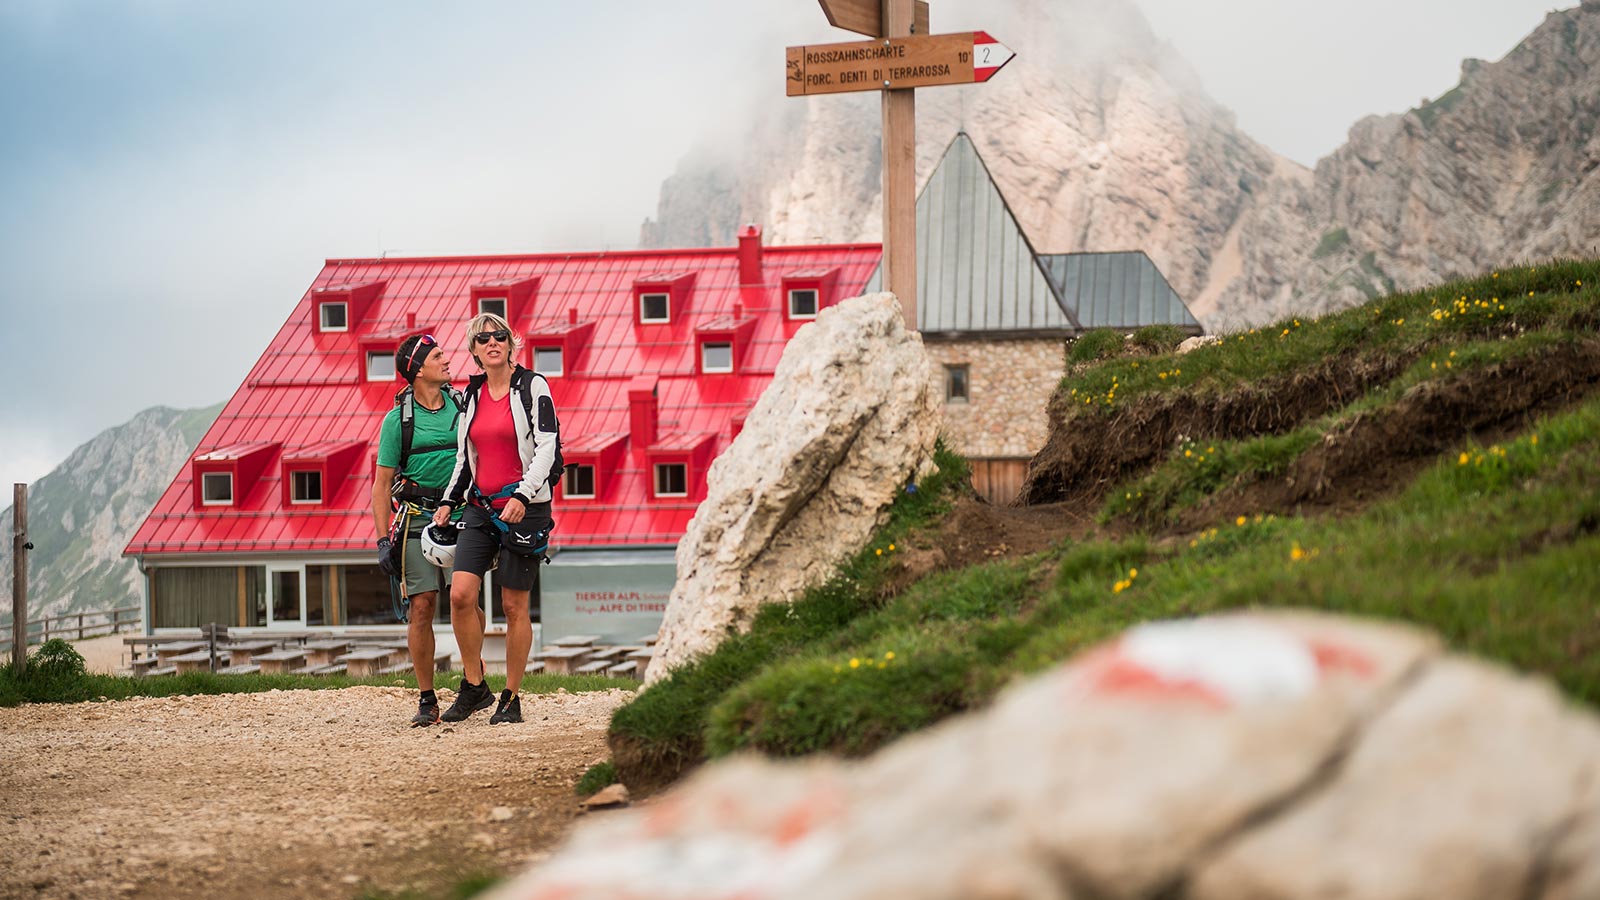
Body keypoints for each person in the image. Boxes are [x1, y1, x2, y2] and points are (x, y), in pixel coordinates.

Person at [432, 312, 559, 724]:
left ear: (510, 343)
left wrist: (524, 494)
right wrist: (449, 500)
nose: (492, 342)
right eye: (483, 338)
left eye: (499, 336)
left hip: (526, 506)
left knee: (513, 605)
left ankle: (511, 697)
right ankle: (475, 686)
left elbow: (546, 447)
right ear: (473, 351)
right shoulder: (470, 396)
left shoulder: (533, 386)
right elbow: (464, 458)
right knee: (460, 595)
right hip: (481, 507)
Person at [371, 333, 481, 727]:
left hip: (463, 515)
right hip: (417, 518)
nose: (447, 360)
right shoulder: (397, 421)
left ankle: (475, 680)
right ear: (417, 370)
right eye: (438, 356)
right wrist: (383, 539)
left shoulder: (462, 404)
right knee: (421, 608)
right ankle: (426, 699)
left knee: (464, 600)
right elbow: (382, 484)